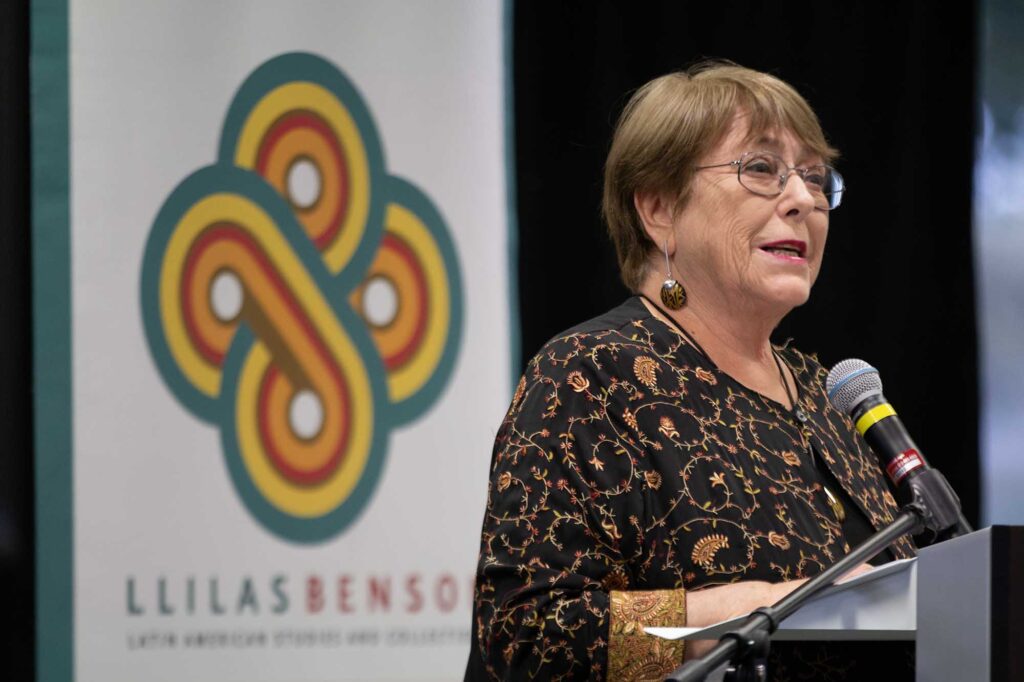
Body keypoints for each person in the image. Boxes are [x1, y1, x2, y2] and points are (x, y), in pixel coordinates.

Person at [465, 61, 916, 681]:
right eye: (761, 169)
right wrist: (747, 611)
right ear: (658, 210)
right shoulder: (594, 376)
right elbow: (525, 639)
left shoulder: (827, 393)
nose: (804, 199)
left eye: (816, 177)